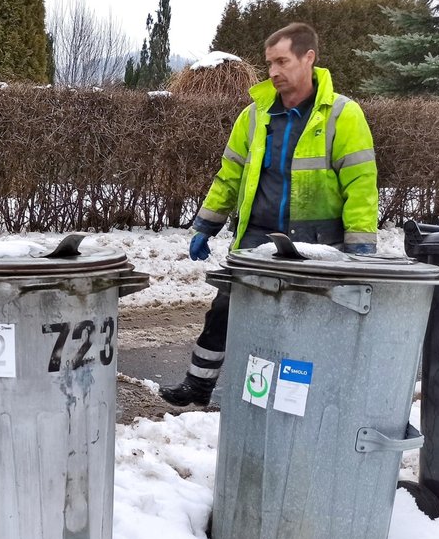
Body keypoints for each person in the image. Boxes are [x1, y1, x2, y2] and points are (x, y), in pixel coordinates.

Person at [159, 22, 379, 407]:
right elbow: (229, 174)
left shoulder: (343, 115)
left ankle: (309, 400)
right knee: (226, 310)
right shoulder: (255, 115)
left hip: (318, 242)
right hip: (257, 237)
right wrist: (205, 226)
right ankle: (198, 385)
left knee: (308, 323)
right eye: (269, 63)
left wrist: (360, 248)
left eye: (282, 61)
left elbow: (361, 184)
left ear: (308, 58)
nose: (273, 72)